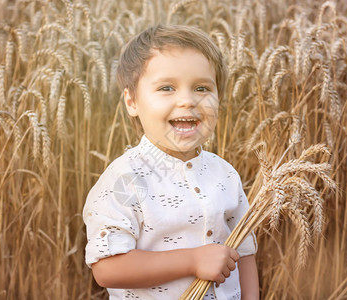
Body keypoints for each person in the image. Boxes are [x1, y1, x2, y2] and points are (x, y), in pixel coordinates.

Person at [83, 24, 259, 300]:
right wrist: (192, 260)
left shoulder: (225, 174)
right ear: (132, 102)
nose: (187, 101)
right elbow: (107, 267)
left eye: (202, 88)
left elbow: (244, 251)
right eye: (167, 88)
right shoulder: (126, 179)